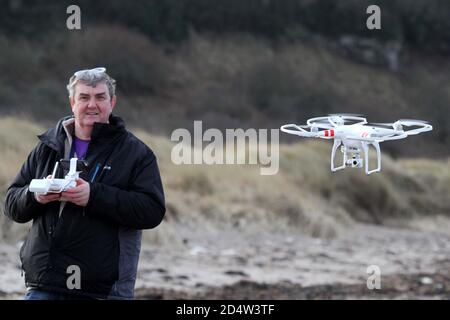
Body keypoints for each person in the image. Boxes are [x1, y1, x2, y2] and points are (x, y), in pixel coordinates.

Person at [4, 67, 166, 300]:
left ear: (112, 102)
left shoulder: (136, 153)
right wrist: (36, 195)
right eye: (84, 97)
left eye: (100, 97)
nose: (92, 104)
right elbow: (11, 204)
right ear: (72, 102)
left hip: (104, 289)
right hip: (44, 282)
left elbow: (152, 211)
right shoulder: (47, 146)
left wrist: (94, 196)